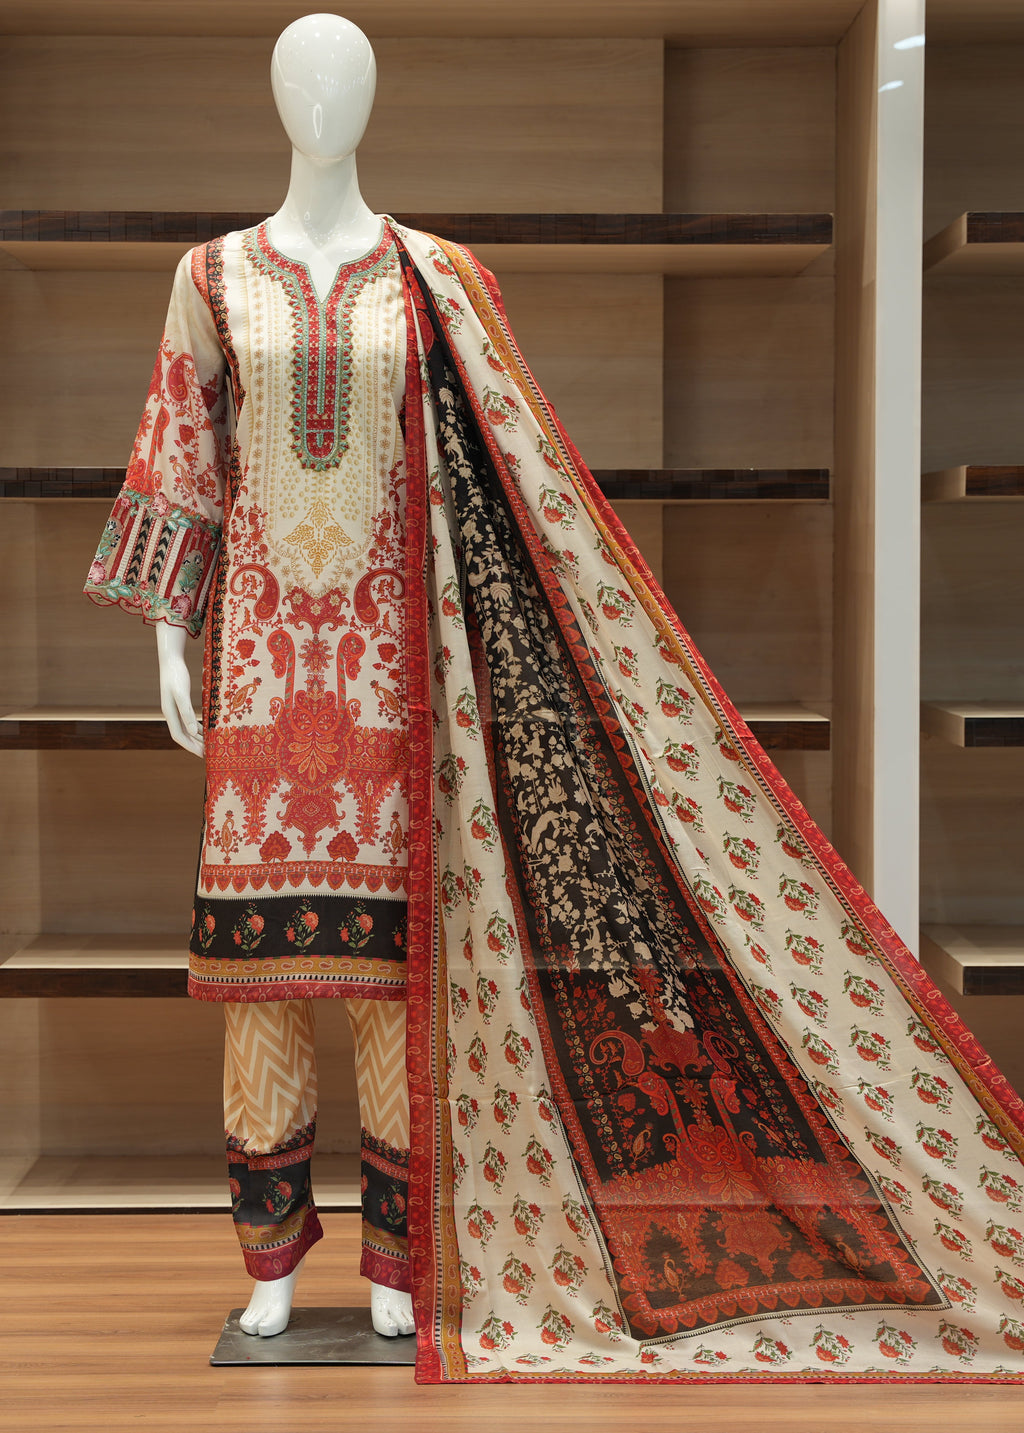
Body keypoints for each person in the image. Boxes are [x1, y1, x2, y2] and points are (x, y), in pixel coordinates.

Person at [86, 13, 1024, 1384]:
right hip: (260, 683)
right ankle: (271, 1267)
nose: (325, 97)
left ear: (369, 96)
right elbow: (179, 450)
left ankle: (401, 1271)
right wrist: (169, 641)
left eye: (345, 76)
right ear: (278, 97)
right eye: (304, 76)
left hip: (406, 691)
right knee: (265, 991)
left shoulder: (444, 279)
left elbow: (516, 482)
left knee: (401, 989)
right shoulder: (214, 276)